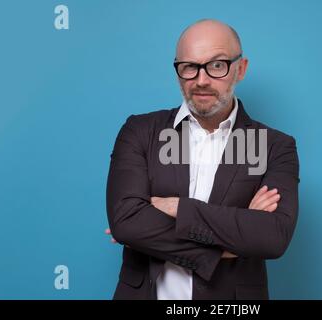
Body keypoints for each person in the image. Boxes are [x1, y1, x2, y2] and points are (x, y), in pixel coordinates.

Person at [105, 19, 300, 300]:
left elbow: (272, 238)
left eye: (217, 65)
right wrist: (230, 243)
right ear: (178, 70)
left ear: (240, 69)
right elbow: (127, 223)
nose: (201, 80)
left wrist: (178, 207)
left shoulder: (274, 146)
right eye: (189, 67)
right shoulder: (140, 131)